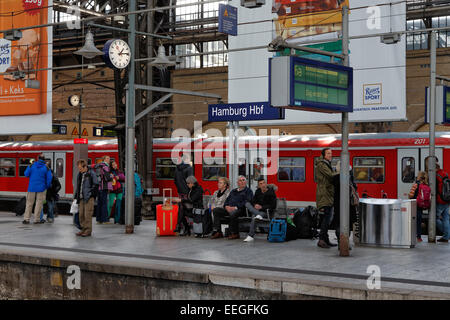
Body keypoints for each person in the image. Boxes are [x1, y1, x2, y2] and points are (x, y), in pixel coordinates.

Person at [315, 148, 338, 248]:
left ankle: (325, 239)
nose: (330, 155)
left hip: (328, 194)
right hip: (324, 194)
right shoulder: (322, 165)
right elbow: (330, 175)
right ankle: (321, 240)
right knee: (326, 218)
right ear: (323, 155)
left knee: (328, 218)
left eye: (331, 153)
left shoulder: (326, 164)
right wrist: (339, 170)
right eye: (328, 153)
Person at [219, 176, 253, 240]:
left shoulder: (248, 191)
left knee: (233, 213)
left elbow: (247, 202)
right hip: (230, 209)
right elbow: (227, 200)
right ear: (237, 182)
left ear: (246, 182)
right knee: (216, 210)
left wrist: (235, 207)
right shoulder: (233, 191)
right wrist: (226, 206)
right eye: (240, 180)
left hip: (242, 210)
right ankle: (217, 231)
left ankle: (234, 233)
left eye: (243, 180)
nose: (242, 182)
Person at [243, 178, 277, 242]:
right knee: (247, 204)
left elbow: (273, 205)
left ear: (266, 184)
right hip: (258, 211)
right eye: (261, 184)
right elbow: (253, 201)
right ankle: (258, 215)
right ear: (259, 186)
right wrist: (255, 205)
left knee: (254, 217)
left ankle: (250, 236)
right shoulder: (257, 191)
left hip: (266, 212)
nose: (263, 185)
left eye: (264, 183)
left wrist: (261, 207)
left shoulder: (271, 193)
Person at [331, 166, 357, 249]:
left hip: (338, 205)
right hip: (348, 205)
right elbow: (354, 188)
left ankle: (340, 242)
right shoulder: (349, 177)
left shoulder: (335, 178)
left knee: (339, 223)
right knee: (347, 224)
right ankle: (345, 242)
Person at [22, 154, 53, 224]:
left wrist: (29, 168)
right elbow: (49, 179)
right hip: (41, 188)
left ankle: (26, 219)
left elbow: (26, 174)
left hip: (31, 188)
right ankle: (37, 219)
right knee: (39, 204)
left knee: (29, 203)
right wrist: (46, 186)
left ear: (37, 158)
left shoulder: (32, 165)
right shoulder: (46, 168)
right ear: (44, 159)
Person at [426, 156, 450, 243]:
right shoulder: (445, 174)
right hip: (447, 199)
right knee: (446, 218)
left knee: (434, 217)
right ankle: (446, 236)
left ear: (435, 168)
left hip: (440, 200)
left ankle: (447, 234)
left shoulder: (436, 176)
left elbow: (434, 189)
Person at [74, 159, 99, 237]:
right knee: (81, 215)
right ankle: (83, 229)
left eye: (80, 168)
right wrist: (76, 196)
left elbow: (96, 185)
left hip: (89, 198)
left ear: (85, 166)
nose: (79, 169)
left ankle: (88, 230)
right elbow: (78, 186)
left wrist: (91, 194)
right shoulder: (80, 174)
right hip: (81, 197)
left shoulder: (91, 173)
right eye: (79, 168)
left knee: (87, 214)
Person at [408, 171, 429, 242]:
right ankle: (419, 237)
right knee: (419, 221)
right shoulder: (426, 185)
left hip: (415, 205)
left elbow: (411, 195)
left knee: (413, 221)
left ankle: (412, 236)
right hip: (421, 205)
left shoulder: (416, 185)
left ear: (419, 177)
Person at [95, 155, 112, 224]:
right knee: (104, 203)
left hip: (99, 187)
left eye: (109, 158)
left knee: (99, 203)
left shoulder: (99, 166)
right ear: (104, 159)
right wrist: (111, 176)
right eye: (107, 158)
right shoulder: (105, 166)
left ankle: (99, 219)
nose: (109, 160)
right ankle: (105, 219)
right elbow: (107, 178)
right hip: (104, 186)